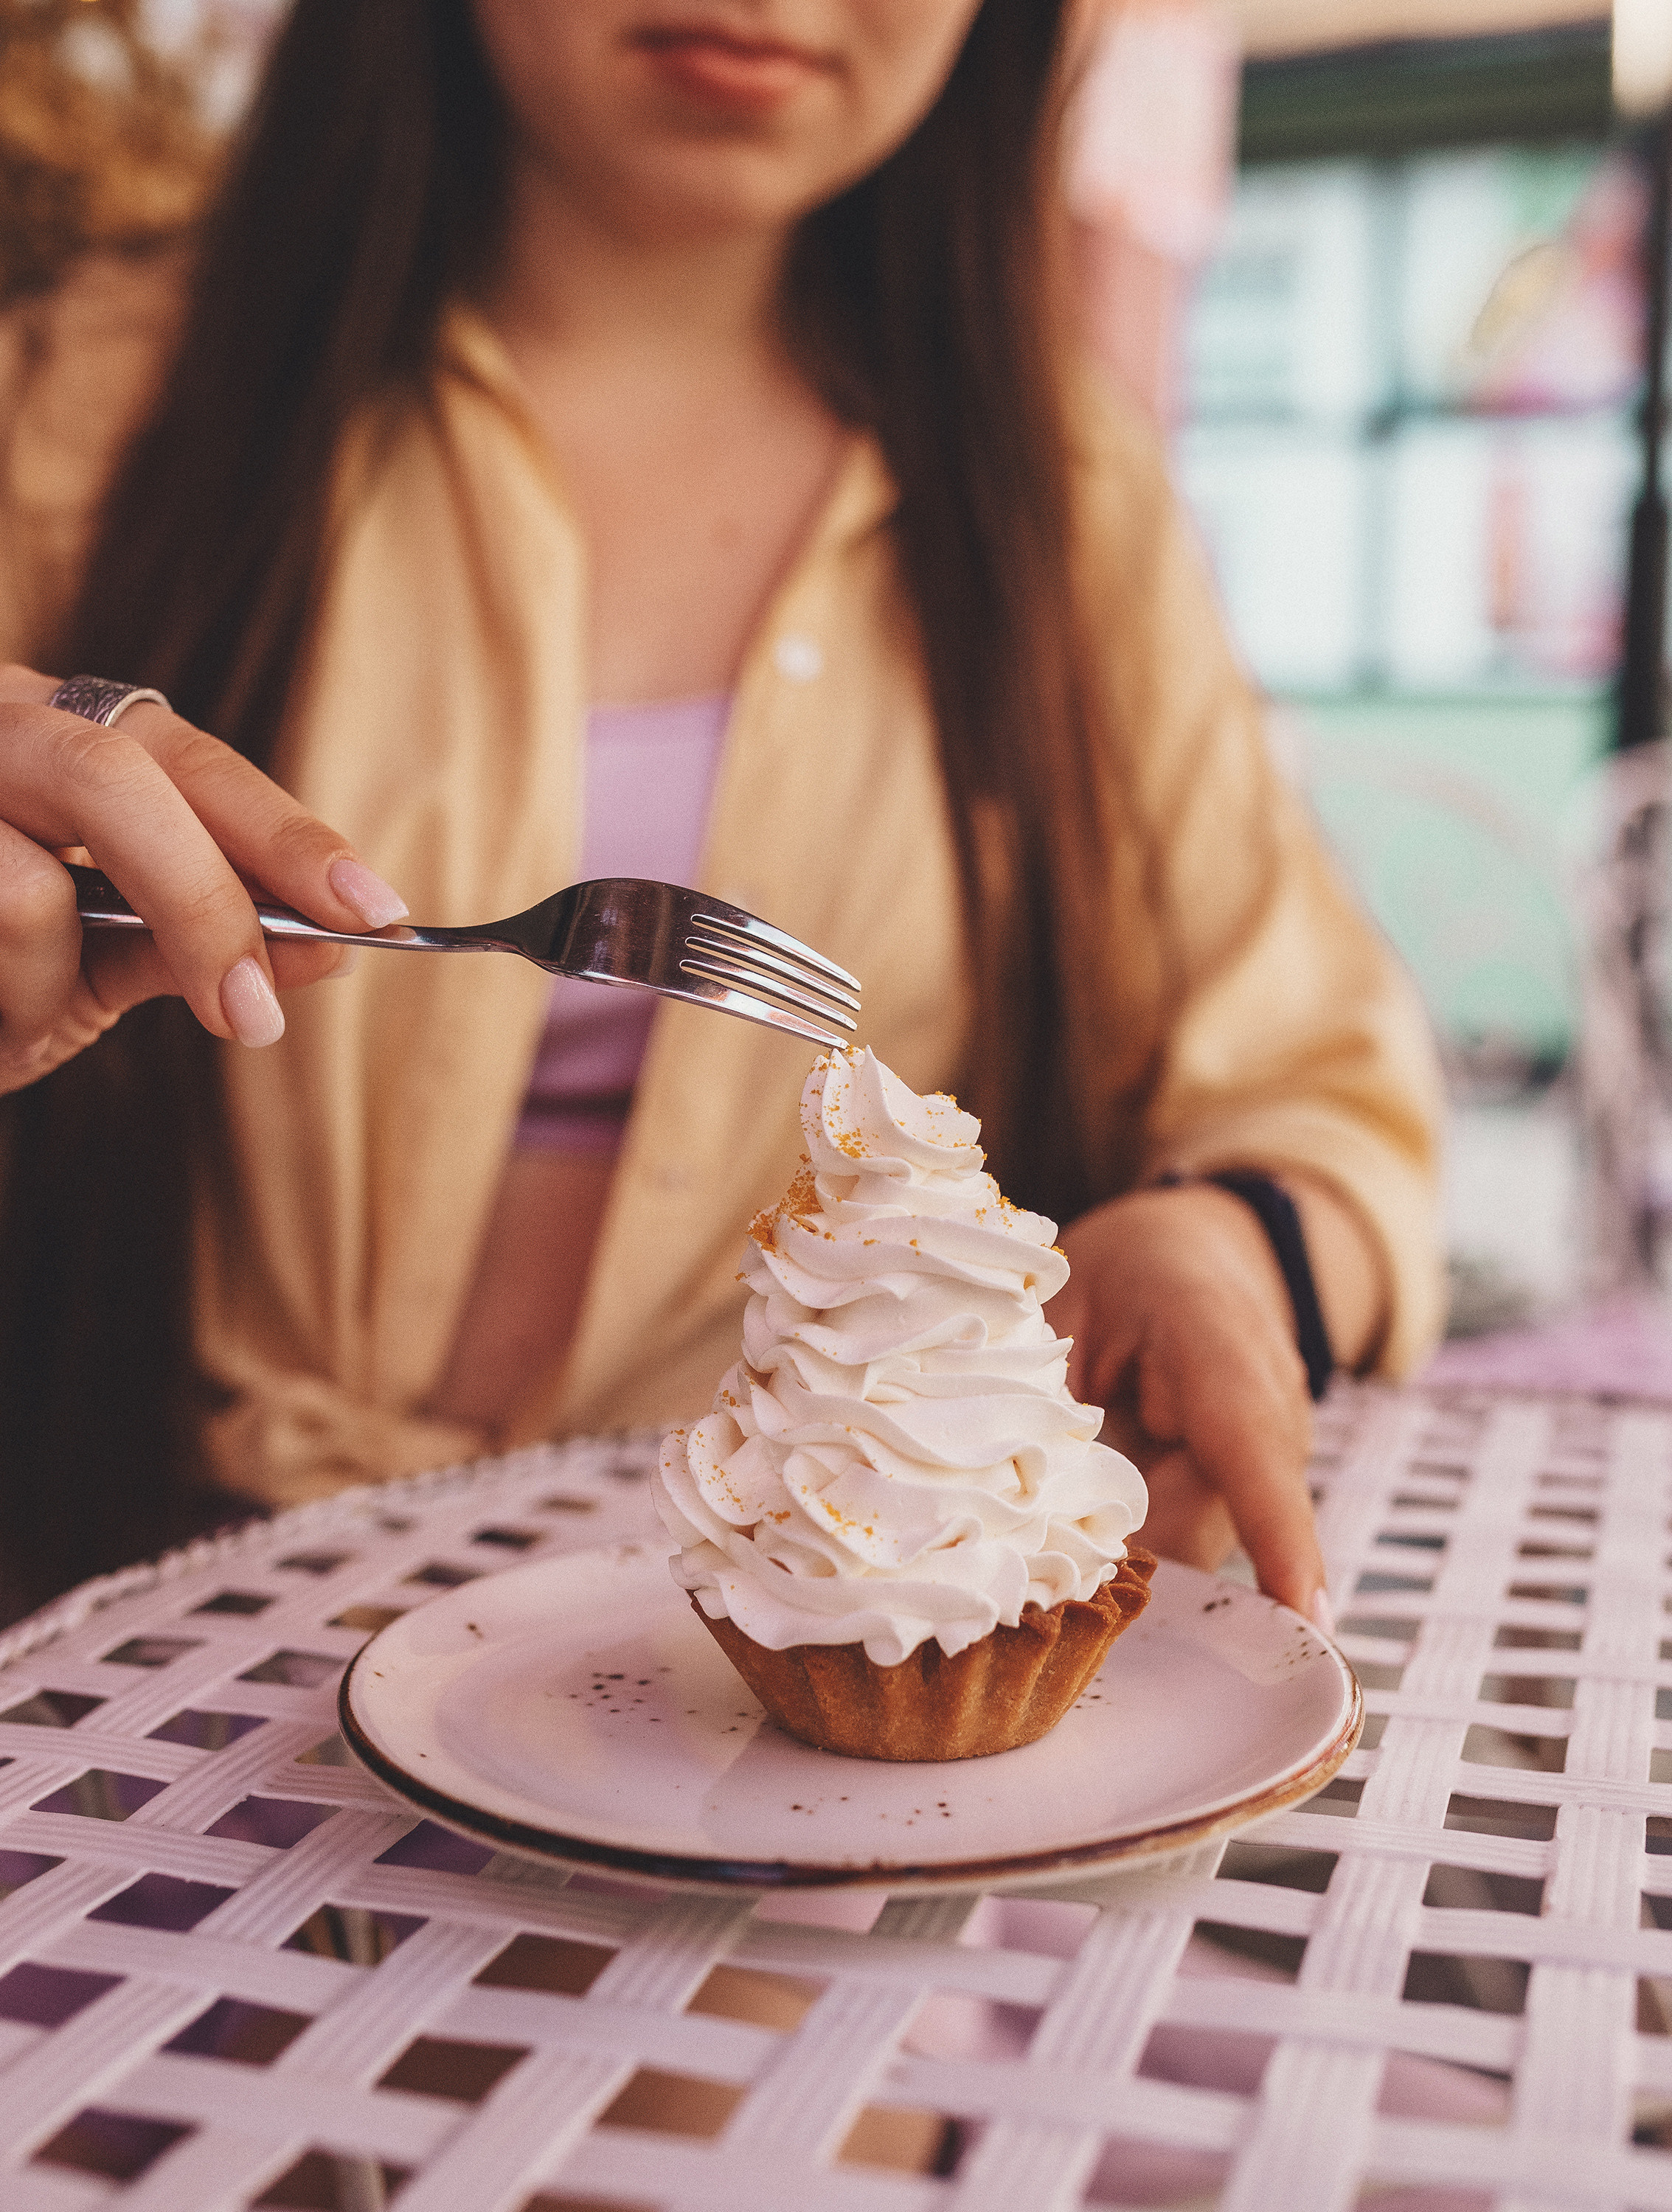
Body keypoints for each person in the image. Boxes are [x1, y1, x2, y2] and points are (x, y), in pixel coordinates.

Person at [0, 0, 1443, 1622]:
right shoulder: (82, 403)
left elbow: (1319, 1084)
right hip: (137, 1641)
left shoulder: (1060, 498)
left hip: (801, 1668)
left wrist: (1221, 1243)